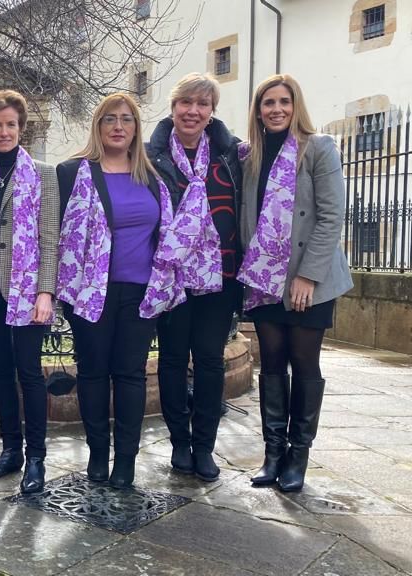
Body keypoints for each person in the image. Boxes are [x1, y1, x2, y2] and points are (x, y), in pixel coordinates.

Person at [56, 93, 178, 489]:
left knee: (129, 375)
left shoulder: (153, 178)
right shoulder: (74, 173)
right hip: (91, 291)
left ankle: (125, 459)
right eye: (110, 119)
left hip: (141, 291)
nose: (119, 126)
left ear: (137, 128)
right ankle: (96, 454)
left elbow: (168, 235)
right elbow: (57, 234)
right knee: (93, 373)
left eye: (127, 119)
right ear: (98, 125)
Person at [241, 74, 352, 492]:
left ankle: (297, 458)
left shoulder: (318, 148)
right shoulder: (249, 155)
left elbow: (330, 215)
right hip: (264, 277)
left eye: (283, 101)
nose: (276, 109)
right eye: (267, 102)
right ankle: (273, 454)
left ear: (295, 104)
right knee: (270, 361)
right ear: (257, 109)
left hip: (310, 278)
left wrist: (307, 275)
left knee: (303, 361)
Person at [147, 73, 243, 482]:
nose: (193, 111)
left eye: (202, 104)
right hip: (171, 275)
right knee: (170, 360)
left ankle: (204, 445)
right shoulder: (150, 156)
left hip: (220, 276)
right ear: (173, 108)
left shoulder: (231, 155)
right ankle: (179, 444)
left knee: (208, 361)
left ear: (211, 112)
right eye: (186, 103)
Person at [0, 90, 59, 494]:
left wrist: (46, 292)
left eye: (11, 125)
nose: (4, 132)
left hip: (26, 289)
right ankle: (10, 450)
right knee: (1, 372)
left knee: (29, 372)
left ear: (22, 128)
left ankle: (36, 457)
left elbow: (51, 237)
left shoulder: (43, 173)